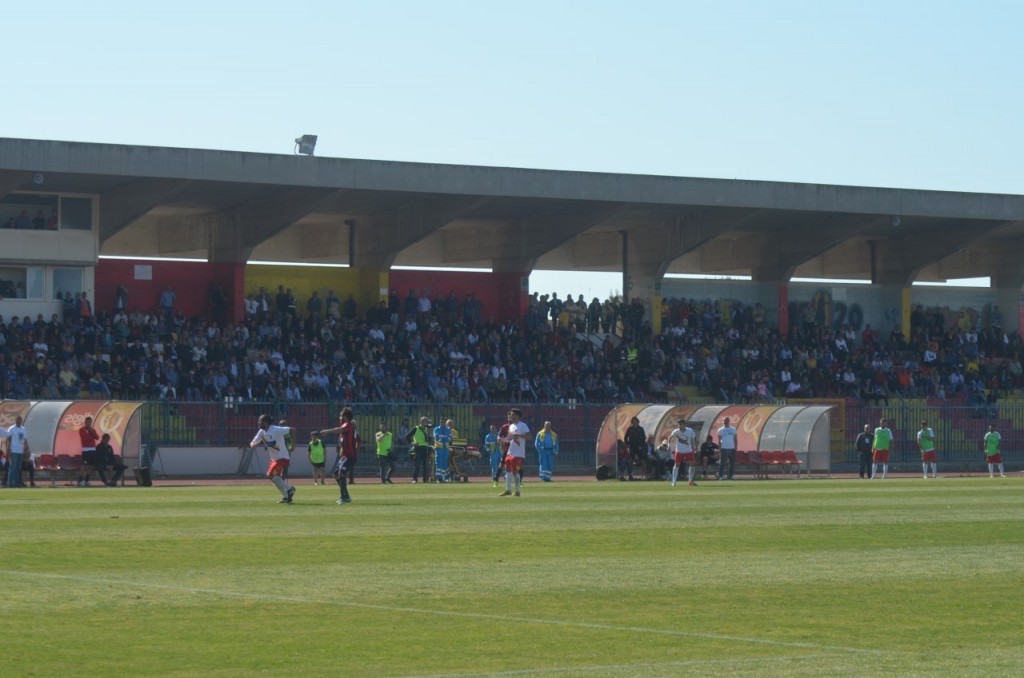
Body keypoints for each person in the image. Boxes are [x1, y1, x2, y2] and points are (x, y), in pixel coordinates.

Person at [249, 414, 297, 503]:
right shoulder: (262, 432)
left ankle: (289, 489)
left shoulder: (276, 429)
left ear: (265, 422)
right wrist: (253, 444)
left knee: (270, 475)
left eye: (260, 421)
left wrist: (293, 446)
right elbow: (253, 442)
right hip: (274, 459)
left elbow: (293, 430)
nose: (258, 422)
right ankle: (287, 496)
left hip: (282, 457)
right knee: (275, 479)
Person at [318, 407, 358, 504]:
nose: (339, 417)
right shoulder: (345, 426)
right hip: (344, 456)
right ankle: (346, 496)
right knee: (336, 474)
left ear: (345, 417)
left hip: (350, 456)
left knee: (342, 473)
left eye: (341, 415)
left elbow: (339, 430)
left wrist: (327, 431)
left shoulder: (348, 425)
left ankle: (343, 497)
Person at [499, 408, 529, 497]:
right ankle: (508, 490)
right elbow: (509, 439)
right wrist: (502, 440)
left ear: (517, 416)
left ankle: (517, 491)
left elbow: (530, 436)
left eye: (512, 414)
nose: (510, 416)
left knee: (515, 471)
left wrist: (519, 435)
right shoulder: (511, 426)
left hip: (518, 453)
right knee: (508, 470)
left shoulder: (522, 425)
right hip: (510, 452)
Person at [77, 416, 108, 487]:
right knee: (84, 465)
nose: (88, 423)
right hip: (86, 449)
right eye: (87, 422)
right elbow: (85, 438)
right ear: (85, 422)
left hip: (93, 449)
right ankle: (80, 481)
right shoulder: (82, 429)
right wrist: (92, 436)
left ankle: (87, 480)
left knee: (91, 466)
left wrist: (92, 432)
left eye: (90, 422)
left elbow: (97, 437)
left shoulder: (92, 429)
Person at [1, 415, 29, 488]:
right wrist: (8, 448)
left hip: (20, 450)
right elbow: (8, 438)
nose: (19, 421)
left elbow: (25, 439)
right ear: (15, 420)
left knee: (18, 468)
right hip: (14, 450)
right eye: (18, 420)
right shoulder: (12, 428)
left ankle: (16, 483)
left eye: (20, 420)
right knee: (13, 467)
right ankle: (10, 483)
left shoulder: (23, 429)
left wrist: (27, 448)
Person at [669, 418, 697, 487]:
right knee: (676, 465)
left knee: (692, 464)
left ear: (684, 424)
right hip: (679, 451)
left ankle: (690, 481)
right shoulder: (676, 431)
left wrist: (694, 447)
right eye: (679, 424)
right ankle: (674, 482)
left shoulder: (689, 431)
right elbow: (670, 437)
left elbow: (693, 438)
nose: (679, 426)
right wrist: (668, 445)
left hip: (688, 450)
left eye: (681, 424)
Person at [409, 417, 433, 483]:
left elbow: (428, 439)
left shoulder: (426, 429)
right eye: (426, 422)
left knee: (425, 465)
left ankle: (425, 479)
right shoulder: (416, 428)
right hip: (418, 448)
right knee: (417, 464)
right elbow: (407, 436)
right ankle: (414, 479)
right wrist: (412, 443)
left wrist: (430, 434)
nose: (427, 423)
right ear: (422, 422)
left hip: (425, 448)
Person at [716, 416, 738, 481]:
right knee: (722, 463)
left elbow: (735, 439)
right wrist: (719, 448)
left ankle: (730, 476)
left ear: (729, 421)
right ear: (724, 421)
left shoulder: (733, 429)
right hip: (724, 448)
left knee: (732, 463)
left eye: (727, 420)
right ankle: (720, 476)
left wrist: (736, 447)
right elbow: (719, 440)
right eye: (725, 420)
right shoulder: (720, 430)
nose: (726, 422)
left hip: (732, 448)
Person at [432, 418, 453, 483]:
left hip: (445, 449)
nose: (442, 423)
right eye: (441, 422)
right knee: (439, 463)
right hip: (439, 449)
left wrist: (442, 437)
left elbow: (449, 438)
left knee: (445, 464)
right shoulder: (436, 429)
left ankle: (446, 477)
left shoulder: (448, 430)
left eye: (443, 422)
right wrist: (444, 437)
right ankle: (439, 478)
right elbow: (436, 437)